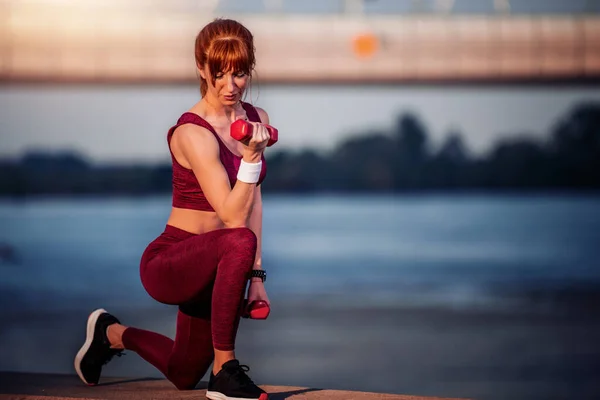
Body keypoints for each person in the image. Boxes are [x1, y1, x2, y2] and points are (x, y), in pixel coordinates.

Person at [74, 18, 272, 400]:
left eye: (240, 74)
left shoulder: (256, 120)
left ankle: (110, 334)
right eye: (220, 74)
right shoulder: (192, 132)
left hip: (218, 262)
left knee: (183, 374)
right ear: (201, 68)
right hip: (171, 261)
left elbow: (254, 202)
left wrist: (258, 277)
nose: (230, 86)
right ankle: (225, 370)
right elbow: (233, 218)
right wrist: (251, 155)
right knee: (236, 238)